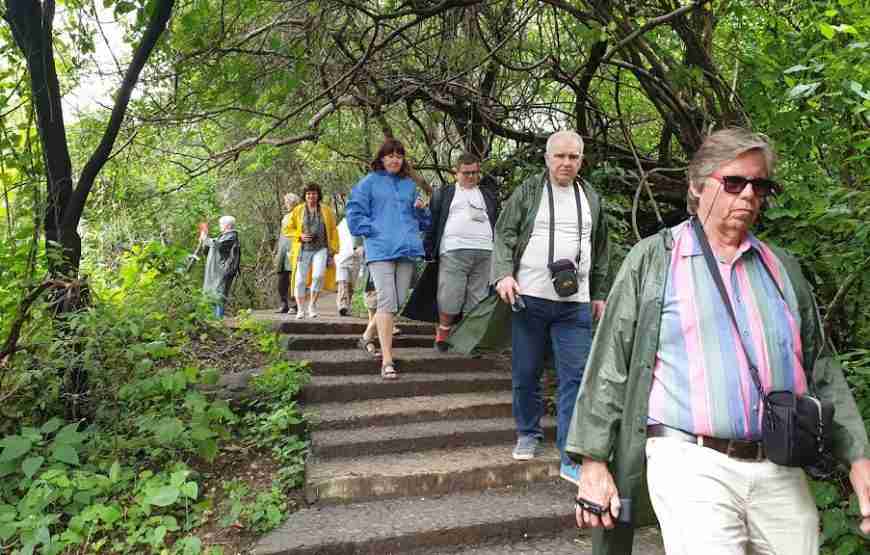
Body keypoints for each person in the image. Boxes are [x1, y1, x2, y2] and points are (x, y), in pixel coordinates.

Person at [566, 128, 870, 554]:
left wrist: (859, 458)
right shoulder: (655, 260)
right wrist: (593, 462)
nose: (748, 194)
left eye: (759, 184)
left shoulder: (781, 268)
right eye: (733, 182)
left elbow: (822, 368)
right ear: (696, 185)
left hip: (779, 463)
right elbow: (609, 364)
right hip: (689, 459)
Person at [491, 130, 610, 483]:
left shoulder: (590, 196)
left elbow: (601, 247)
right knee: (526, 371)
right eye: (560, 156)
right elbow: (505, 233)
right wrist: (503, 275)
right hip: (529, 297)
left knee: (574, 377)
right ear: (546, 158)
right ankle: (528, 432)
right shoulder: (529, 191)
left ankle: (570, 453)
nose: (566, 163)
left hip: (575, 304)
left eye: (573, 157)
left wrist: (599, 292)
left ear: (581, 161)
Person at [347, 138, 431, 380]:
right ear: (381, 158)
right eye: (390, 155)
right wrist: (373, 231)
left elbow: (424, 222)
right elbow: (353, 212)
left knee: (397, 301)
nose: (395, 159)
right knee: (386, 301)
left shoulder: (408, 185)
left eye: (399, 155)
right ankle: (387, 360)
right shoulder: (369, 183)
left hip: (406, 249)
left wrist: (420, 210)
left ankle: (365, 338)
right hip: (381, 249)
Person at [424, 152, 499, 351]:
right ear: (456, 173)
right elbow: (432, 223)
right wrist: (428, 249)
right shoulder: (445, 193)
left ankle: (469, 339)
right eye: (466, 173)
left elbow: (497, 221)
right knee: (450, 295)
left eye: (475, 172)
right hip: (454, 250)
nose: (471, 177)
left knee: (478, 298)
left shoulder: (488, 194)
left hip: (485, 251)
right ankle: (443, 334)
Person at [284, 183, 339, 319]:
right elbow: (287, 229)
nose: (311, 196)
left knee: (318, 275)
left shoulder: (326, 210)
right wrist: (299, 235)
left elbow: (333, 230)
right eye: (308, 194)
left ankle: (312, 306)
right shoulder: (298, 210)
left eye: (313, 193)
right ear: (305, 195)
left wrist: (333, 249)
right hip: (303, 249)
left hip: (321, 248)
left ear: (318, 195)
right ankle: (300, 309)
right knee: (300, 280)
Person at [199, 215, 241, 318]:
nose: (220, 226)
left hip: (222, 272)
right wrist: (204, 240)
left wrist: (206, 238)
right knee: (213, 297)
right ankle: (214, 320)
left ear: (227, 225)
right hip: (216, 272)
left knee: (219, 297)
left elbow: (218, 245)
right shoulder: (223, 236)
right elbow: (209, 248)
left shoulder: (231, 236)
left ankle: (218, 321)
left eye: (221, 224)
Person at [274, 192, 301, 314]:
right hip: (283, 250)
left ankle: (294, 305)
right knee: (281, 279)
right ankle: (283, 304)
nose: (285, 204)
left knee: (293, 278)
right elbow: (282, 234)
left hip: (293, 249)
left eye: (287, 202)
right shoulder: (285, 216)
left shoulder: (299, 215)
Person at [335, 217, 363, 316]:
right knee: (343, 282)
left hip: (356, 257)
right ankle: (342, 305)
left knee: (351, 284)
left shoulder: (362, 221)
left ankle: (347, 305)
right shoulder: (341, 225)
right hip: (343, 256)